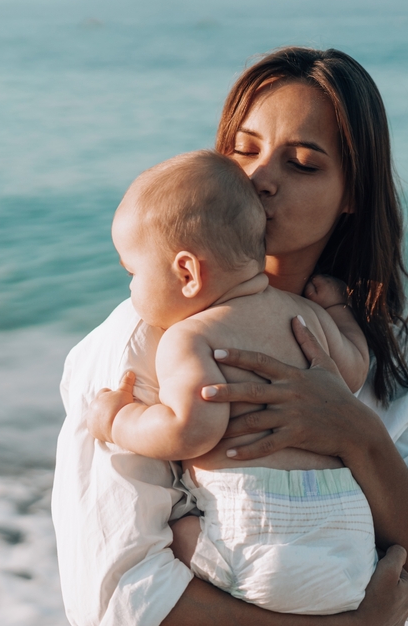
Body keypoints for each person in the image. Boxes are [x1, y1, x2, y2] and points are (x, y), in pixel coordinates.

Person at [52, 47, 408, 626]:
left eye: (302, 163)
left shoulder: (380, 356)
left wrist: (360, 437)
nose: (259, 179)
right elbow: (117, 595)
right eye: (243, 149)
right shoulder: (138, 344)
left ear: (353, 193)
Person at [89, 149, 376, 615]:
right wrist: (340, 309)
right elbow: (355, 372)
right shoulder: (307, 314)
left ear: (187, 272)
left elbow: (190, 430)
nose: (130, 290)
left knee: (181, 533)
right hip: (351, 546)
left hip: (260, 543)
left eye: (133, 273)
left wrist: (119, 420)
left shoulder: (189, 338)